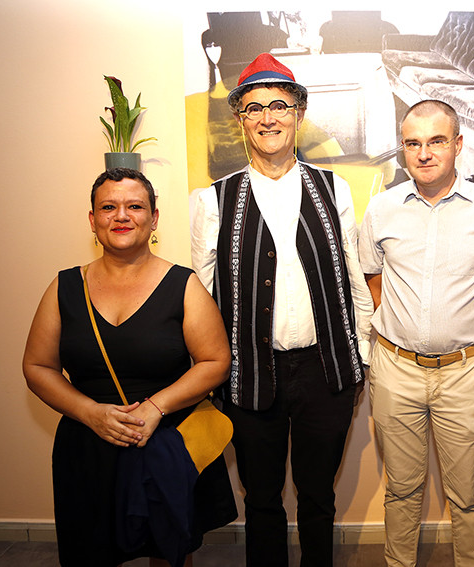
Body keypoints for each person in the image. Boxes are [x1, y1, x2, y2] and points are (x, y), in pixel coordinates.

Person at [190, 53, 373, 567]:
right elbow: (201, 299)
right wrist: (210, 373)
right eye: (253, 108)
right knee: (262, 500)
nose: (267, 117)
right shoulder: (212, 201)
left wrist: (358, 359)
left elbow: (354, 281)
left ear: (298, 113)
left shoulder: (333, 189)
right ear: (240, 121)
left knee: (319, 497)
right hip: (250, 373)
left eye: (278, 105)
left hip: (326, 370)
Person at [22, 168, 237, 567]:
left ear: (153, 218)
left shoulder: (183, 285)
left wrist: (155, 408)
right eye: (108, 207)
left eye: (134, 206)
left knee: (168, 550)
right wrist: (91, 413)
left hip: (165, 440)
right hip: (87, 445)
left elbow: (215, 361)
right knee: (90, 551)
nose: (121, 216)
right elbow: (37, 367)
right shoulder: (64, 287)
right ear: (93, 220)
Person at [358, 99, 474, 567]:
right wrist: (404, 334)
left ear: (458, 145)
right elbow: (371, 279)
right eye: (413, 143)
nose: (424, 153)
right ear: (403, 149)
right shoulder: (382, 208)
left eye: (436, 142)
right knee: (401, 491)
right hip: (396, 371)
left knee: (467, 495)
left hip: (468, 374)